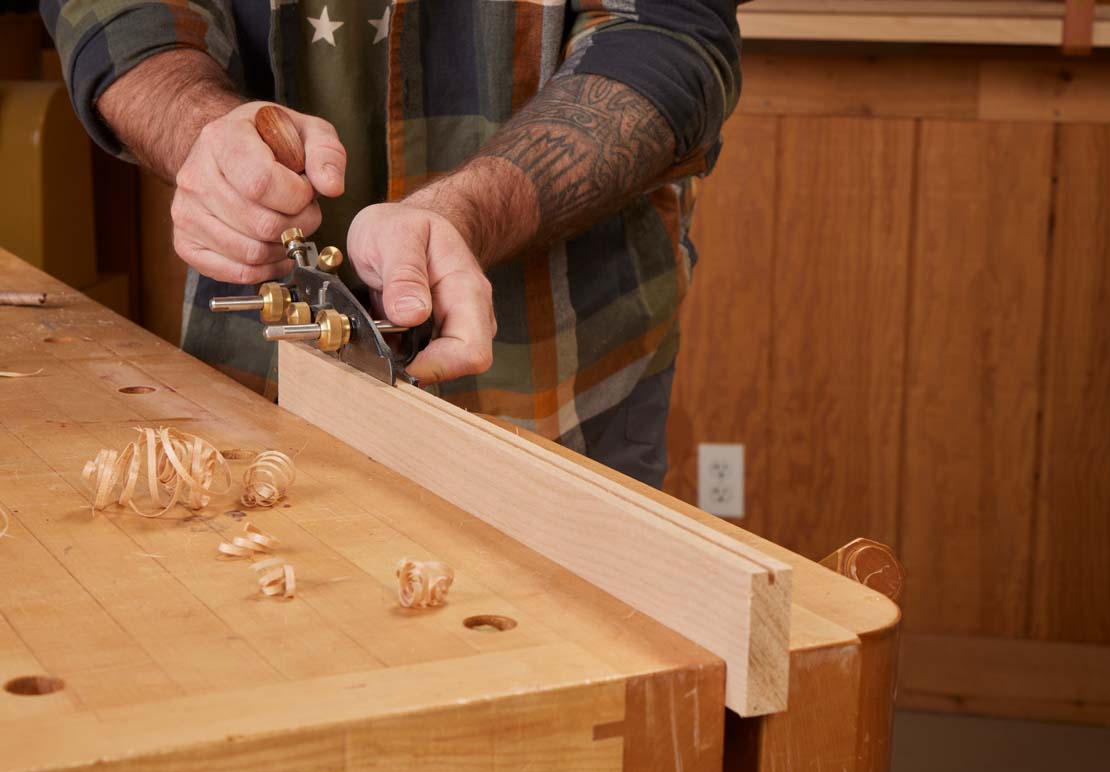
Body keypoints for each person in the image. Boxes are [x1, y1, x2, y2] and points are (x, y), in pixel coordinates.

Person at [41, 1, 742, 489]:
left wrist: (470, 208)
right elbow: (115, 13)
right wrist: (203, 129)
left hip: (568, 387)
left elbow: (666, 34)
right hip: (263, 384)